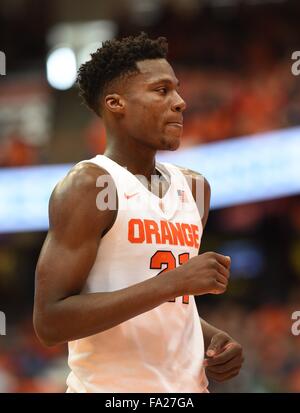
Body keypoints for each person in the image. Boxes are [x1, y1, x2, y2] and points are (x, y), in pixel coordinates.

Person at [33, 33, 244, 393]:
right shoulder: (90, 186)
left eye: (177, 90)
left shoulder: (195, 189)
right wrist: (174, 282)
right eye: (161, 91)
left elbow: (170, 305)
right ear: (116, 103)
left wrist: (209, 336)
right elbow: (50, 322)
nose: (180, 102)